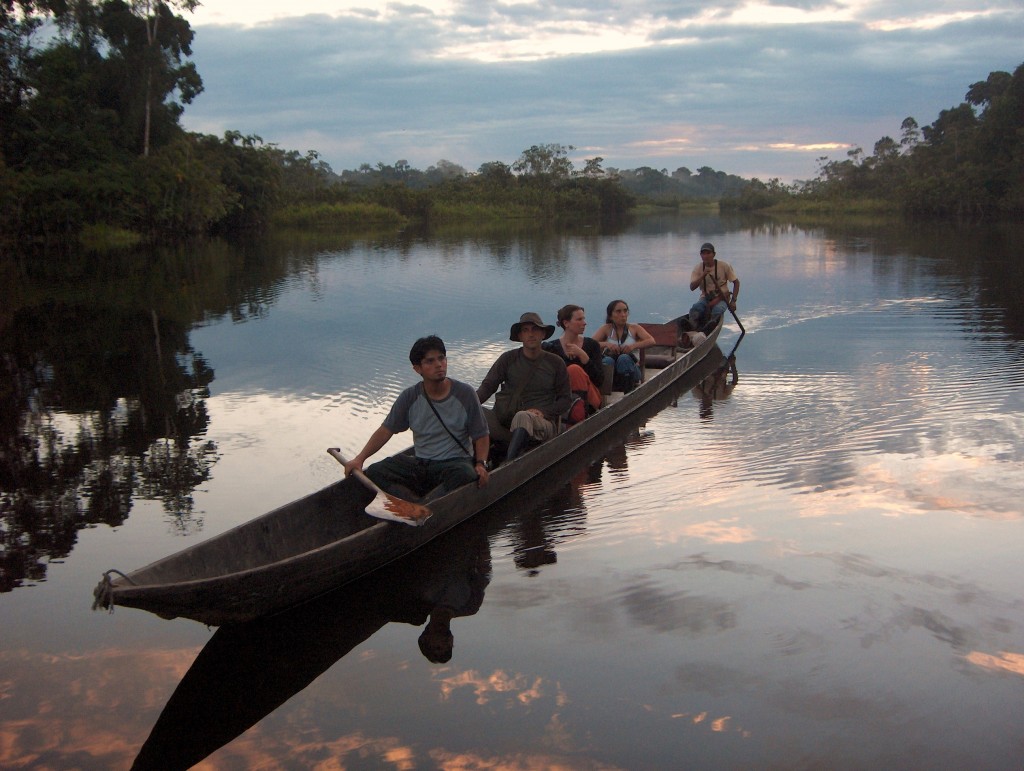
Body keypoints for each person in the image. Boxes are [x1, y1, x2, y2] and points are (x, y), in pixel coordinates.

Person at [344, 335, 490, 500]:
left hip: (455, 463)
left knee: (466, 474)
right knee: (376, 471)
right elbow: (386, 430)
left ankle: (424, 506)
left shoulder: (465, 394)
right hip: (421, 464)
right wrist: (359, 459)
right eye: (430, 361)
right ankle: (414, 503)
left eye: (441, 359)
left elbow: (481, 435)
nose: (438, 365)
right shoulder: (410, 397)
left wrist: (480, 464)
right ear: (417, 368)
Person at [477, 312, 572, 462]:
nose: (530, 334)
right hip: (504, 422)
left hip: (540, 424)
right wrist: (468, 405)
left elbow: (565, 399)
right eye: (525, 330)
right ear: (520, 336)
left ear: (543, 334)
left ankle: (508, 466)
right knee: (475, 413)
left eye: (535, 329)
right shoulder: (508, 359)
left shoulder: (555, 363)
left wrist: (543, 412)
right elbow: (487, 387)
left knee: (522, 416)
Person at [542, 304, 604, 420]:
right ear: (566, 323)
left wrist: (583, 356)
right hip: (561, 397)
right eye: (579, 319)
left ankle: (579, 413)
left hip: (590, 399)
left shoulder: (592, 345)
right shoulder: (552, 348)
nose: (584, 323)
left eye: (584, 319)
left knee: (574, 369)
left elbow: (599, 381)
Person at [592, 299, 655, 393]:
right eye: (618, 311)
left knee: (624, 358)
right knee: (607, 361)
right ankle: (603, 394)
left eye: (625, 311)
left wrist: (633, 346)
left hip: (632, 371)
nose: (623, 314)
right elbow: (590, 344)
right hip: (613, 372)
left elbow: (651, 341)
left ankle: (628, 394)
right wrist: (607, 344)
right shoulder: (606, 329)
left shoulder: (634, 328)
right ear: (610, 315)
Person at [688, 242, 740, 333]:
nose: (706, 256)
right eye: (703, 253)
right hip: (706, 297)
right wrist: (703, 275)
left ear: (714, 254)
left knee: (717, 310)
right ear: (700, 255)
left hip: (722, 298)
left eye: (708, 253)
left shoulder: (724, 266)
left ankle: (709, 328)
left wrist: (733, 301)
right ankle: (692, 327)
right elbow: (692, 287)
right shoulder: (698, 268)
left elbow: (736, 283)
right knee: (696, 308)